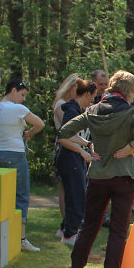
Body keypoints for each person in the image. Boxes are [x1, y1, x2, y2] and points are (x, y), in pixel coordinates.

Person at [60, 70, 134, 268]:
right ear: (128, 92)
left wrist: (87, 144)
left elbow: (64, 132)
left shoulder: (92, 110)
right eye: (133, 93)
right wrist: (131, 146)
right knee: (118, 230)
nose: (133, 97)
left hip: (98, 176)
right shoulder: (131, 112)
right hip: (125, 176)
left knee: (89, 227)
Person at [0, 78, 45, 252]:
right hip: (15, 155)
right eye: (22, 94)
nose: (24, 99)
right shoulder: (18, 109)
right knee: (20, 196)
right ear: (13, 90)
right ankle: (21, 238)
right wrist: (29, 133)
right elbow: (40, 123)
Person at [55, 78, 98, 246]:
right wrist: (82, 151)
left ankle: (65, 228)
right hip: (69, 158)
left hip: (75, 158)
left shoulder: (79, 109)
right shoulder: (72, 110)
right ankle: (70, 235)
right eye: (92, 97)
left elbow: (75, 136)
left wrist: (87, 145)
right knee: (77, 196)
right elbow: (63, 137)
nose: (92, 101)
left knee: (75, 194)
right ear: (86, 94)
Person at [52, 73, 80, 231]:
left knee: (73, 188)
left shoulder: (72, 104)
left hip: (74, 145)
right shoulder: (61, 104)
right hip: (65, 146)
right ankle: (65, 224)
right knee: (66, 187)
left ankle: (70, 222)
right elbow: (69, 127)